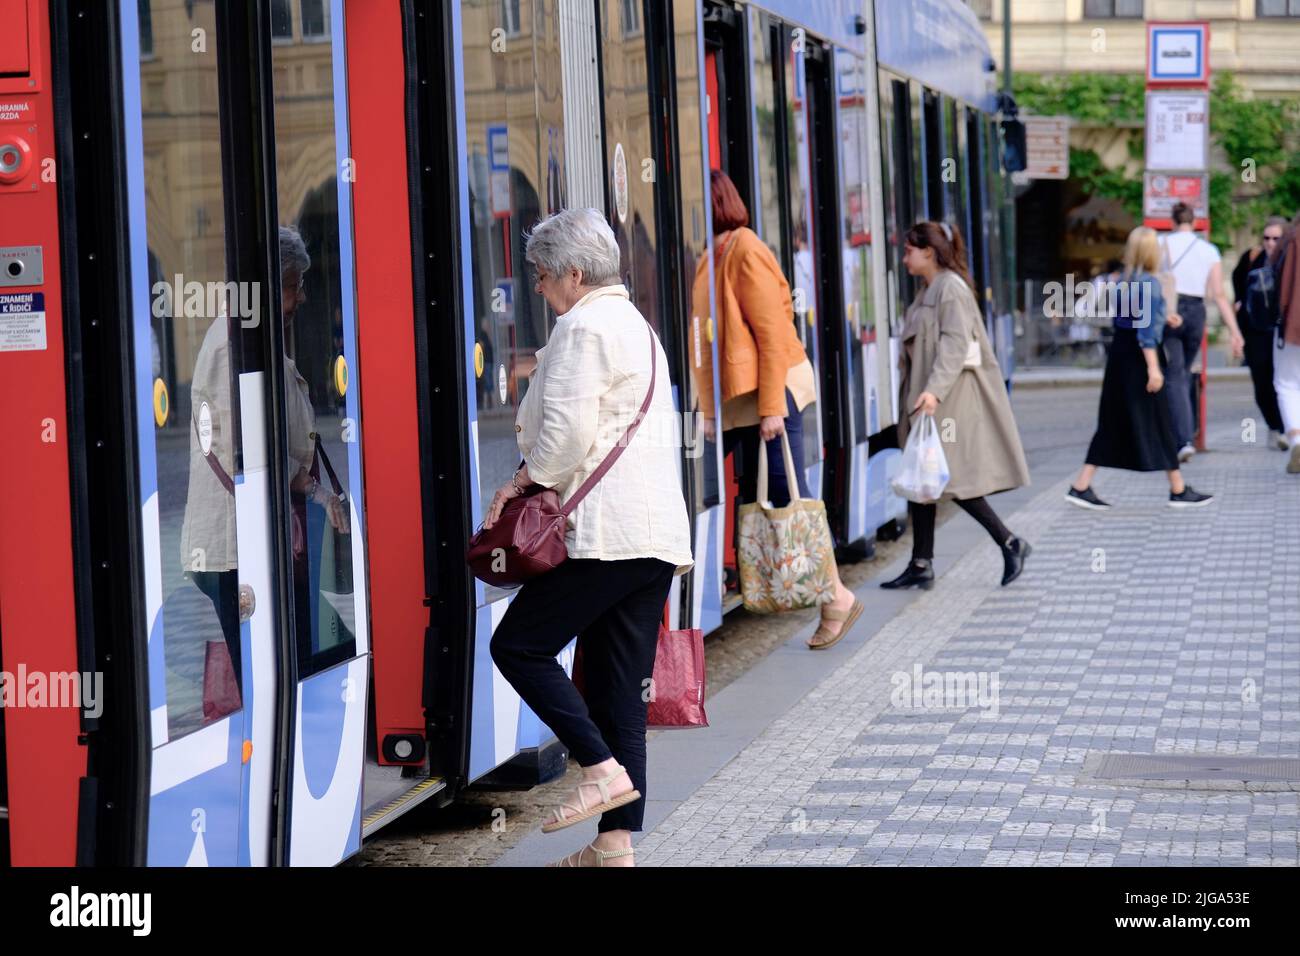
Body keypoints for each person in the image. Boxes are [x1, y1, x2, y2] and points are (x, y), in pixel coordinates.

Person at [484, 208, 694, 867]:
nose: (540, 290)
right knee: (615, 690)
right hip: (653, 536)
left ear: (574, 273)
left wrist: (520, 483)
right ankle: (613, 848)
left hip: (606, 535)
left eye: (543, 278)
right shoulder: (637, 326)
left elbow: (566, 440)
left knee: (518, 644)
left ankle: (598, 769)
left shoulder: (583, 327)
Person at [689, 170, 863, 650]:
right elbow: (705, 340)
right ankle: (826, 595)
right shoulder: (713, 254)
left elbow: (771, 333)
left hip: (771, 394)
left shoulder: (745, 249)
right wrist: (708, 409)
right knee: (773, 492)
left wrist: (771, 410)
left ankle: (837, 598)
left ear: (714, 201)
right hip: (741, 401)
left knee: (792, 494)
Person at [180, 226, 349, 702]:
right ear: (269, 284)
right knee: (268, 665)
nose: (300, 298)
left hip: (267, 533)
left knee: (291, 656)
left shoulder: (259, 335)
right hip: (236, 546)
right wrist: (311, 489)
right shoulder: (230, 343)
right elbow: (240, 450)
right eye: (294, 286)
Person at [882, 220, 1032, 591]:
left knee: (952, 478)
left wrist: (933, 392)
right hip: (932, 400)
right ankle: (921, 562)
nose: (904, 259)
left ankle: (1010, 541)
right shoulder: (930, 290)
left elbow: (953, 345)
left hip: (949, 401)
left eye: (909, 251)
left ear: (928, 253)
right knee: (924, 478)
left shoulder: (950, 290)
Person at [1066, 226, 1215, 510]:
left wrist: (1163, 316)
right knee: (1159, 420)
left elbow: (1132, 319)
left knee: (1113, 421)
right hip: (1139, 359)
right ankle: (1178, 490)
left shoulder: (1124, 281)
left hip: (1120, 357)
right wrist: (1154, 368)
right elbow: (1145, 332)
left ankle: (1081, 485)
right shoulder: (1149, 283)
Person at [1159, 202, 1245, 462]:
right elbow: (1218, 294)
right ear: (1194, 222)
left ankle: (1181, 439)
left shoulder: (1161, 243)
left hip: (1170, 310)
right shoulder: (1209, 250)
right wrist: (1235, 331)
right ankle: (1185, 436)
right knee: (1184, 373)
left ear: (1172, 221)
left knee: (1173, 375)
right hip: (1196, 311)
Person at [1232, 217, 1288, 451]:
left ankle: (1287, 427)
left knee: (1283, 382)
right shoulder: (1252, 258)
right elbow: (1237, 283)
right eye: (1267, 238)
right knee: (1262, 382)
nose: (1270, 243)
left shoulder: (1290, 261)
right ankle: (1275, 426)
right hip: (1256, 331)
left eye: (1276, 238)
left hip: (1283, 330)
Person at [1276, 212, 1300, 474]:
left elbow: (1275, 279)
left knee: (1288, 384)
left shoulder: (1291, 237)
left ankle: (1296, 440)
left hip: (1294, 323)